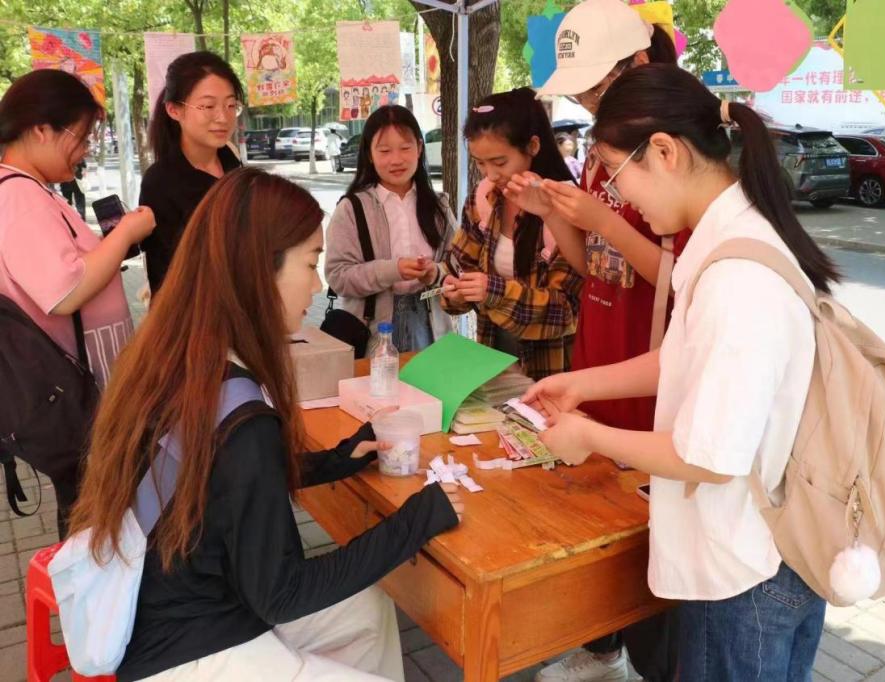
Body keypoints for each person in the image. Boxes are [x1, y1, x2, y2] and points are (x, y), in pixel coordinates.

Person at [69, 168, 464, 681]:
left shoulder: (178, 354)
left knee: (367, 612)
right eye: (311, 263)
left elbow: (223, 477)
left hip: (164, 603)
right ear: (259, 270)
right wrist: (419, 517)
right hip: (191, 653)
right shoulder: (242, 417)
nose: (317, 286)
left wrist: (337, 459)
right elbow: (283, 592)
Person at [526, 63, 842, 682]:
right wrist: (585, 384)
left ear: (665, 152)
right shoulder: (728, 237)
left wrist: (589, 436)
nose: (622, 199)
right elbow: (686, 355)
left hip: (748, 573)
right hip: (759, 555)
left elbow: (710, 456)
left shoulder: (737, 278)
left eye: (616, 173)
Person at [503, 1, 683, 678]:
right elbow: (595, 270)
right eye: (577, 91)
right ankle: (603, 644)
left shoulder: (673, 150)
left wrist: (601, 222)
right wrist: (554, 213)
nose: (585, 102)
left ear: (637, 64)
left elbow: (685, 281)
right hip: (601, 359)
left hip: (653, 375)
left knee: (651, 540)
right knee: (599, 522)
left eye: (595, 86)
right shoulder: (601, 154)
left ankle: (647, 656)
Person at [0, 69, 156, 534]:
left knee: (98, 512)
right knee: (95, 518)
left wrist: (111, 245)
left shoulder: (30, 190)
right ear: (40, 129)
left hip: (84, 390)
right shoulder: (18, 196)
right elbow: (64, 291)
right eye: (81, 136)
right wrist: (126, 233)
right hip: (78, 394)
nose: (86, 148)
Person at [441, 88, 583, 381]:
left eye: (500, 162)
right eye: (480, 163)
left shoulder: (568, 204)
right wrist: (455, 291)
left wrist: (491, 291)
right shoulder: (484, 197)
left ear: (533, 146)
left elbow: (566, 311)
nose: (490, 174)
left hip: (555, 370)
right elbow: (459, 266)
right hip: (494, 360)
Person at [326, 105, 457, 352]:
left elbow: (459, 262)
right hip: (374, 329)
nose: (396, 160)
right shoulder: (352, 208)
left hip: (430, 323)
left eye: (405, 148)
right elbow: (338, 276)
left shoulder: (438, 206)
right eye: (385, 151)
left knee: (428, 378)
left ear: (419, 148)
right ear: (369, 154)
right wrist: (393, 270)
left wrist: (435, 273)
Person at [139, 51, 244, 297]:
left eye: (231, 105)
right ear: (174, 110)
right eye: (208, 106)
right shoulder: (161, 182)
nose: (223, 117)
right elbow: (167, 275)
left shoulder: (231, 160)